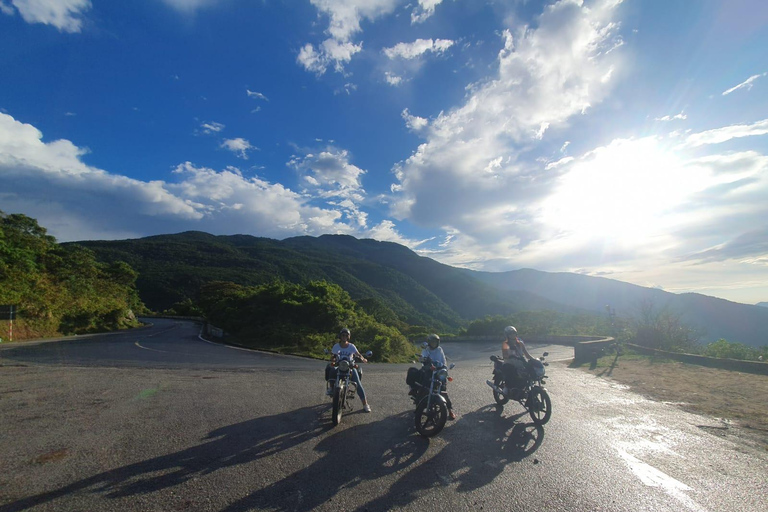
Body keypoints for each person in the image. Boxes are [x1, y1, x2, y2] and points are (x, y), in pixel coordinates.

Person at [325, 327, 371, 412]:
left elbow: (358, 354)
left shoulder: (351, 346)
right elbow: (333, 356)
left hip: (349, 367)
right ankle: (331, 388)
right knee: (331, 369)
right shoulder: (336, 346)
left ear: (348, 337)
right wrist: (333, 359)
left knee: (358, 384)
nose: (344, 337)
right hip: (340, 366)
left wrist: (363, 359)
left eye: (346, 335)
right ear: (340, 336)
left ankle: (365, 404)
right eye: (343, 335)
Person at [413, 333, 456, 420]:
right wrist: (427, 364)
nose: (434, 344)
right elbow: (423, 359)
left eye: (435, 342)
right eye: (432, 342)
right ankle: (418, 406)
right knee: (424, 387)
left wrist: (444, 368)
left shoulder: (439, 350)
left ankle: (450, 410)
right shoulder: (426, 350)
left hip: (438, 371)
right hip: (429, 370)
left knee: (443, 390)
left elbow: (443, 360)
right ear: (429, 343)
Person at [500, 325, 533, 396]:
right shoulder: (505, 344)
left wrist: (534, 360)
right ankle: (506, 387)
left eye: (514, 333)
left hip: (520, 362)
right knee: (510, 370)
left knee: (528, 372)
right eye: (510, 333)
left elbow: (527, 354)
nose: (512, 335)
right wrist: (511, 356)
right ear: (507, 335)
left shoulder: (520, 343)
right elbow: (505, 355)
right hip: (509, 362)